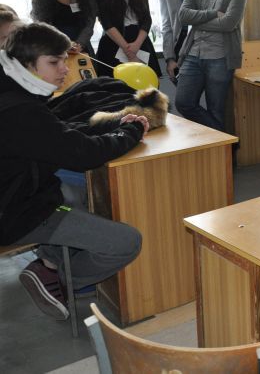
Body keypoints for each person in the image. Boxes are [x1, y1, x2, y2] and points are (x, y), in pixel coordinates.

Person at [0, 22, 149, 321]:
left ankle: (50, 261)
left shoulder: (12, 90)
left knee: (77, 192)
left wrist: (112, 124)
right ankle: (57, 277)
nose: (64, 69)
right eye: (54, 62)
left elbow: (57, 135)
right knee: (127, 242)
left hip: (18, 194)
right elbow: (83, 154)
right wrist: (131, 132)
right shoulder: (20, 111)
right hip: (15, 212)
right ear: (26, 64)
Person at [176, 0, 246, 131]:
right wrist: (213, 13)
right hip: (193, 54)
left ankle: (222, 147)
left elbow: (228, 23)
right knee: (183, 102)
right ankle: (228, 140)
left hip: (220, 58)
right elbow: (183, 16)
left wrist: (198, 21)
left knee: (216, 110)